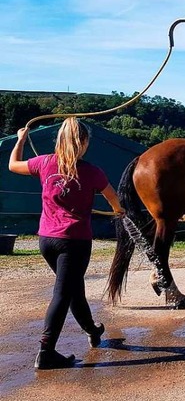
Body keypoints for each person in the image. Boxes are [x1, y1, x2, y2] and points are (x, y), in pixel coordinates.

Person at [8, 117, 124, 370]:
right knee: (63, 293)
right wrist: (118, 210)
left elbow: (13, 165)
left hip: (47, 240)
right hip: (74, 242)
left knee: (72, 287)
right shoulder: (92, 171)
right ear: (83, 143)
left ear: (60, 140)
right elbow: (112, 196)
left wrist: (20, 140)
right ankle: (46, 352)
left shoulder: (44, 163)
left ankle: (92, 330)